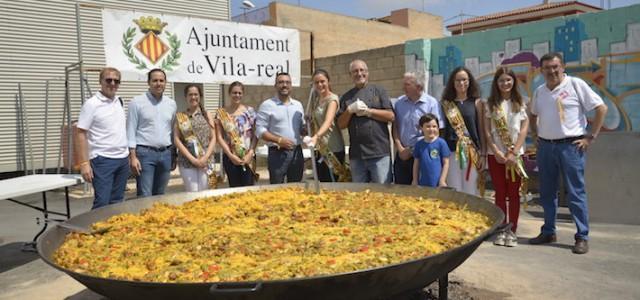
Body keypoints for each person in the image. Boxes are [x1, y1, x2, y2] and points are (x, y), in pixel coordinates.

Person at [528, 52, 607, 254]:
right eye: (547, 68)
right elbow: (532, 113)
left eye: (555, 67)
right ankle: (548, 231)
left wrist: (591, 137)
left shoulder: (575, 85)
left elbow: (601, 108)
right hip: (546, 147)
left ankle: (582, 236)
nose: (551, 71)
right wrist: (536, 133)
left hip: (571, 146)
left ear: (563, 67)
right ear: (541, 70)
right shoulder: (540, 91)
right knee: (546, 192)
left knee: (575, 193)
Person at [483, 67, 529, 247]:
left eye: (508, 80)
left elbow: (524, 130)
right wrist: (496, 151)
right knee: (500, 193)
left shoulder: (521, 102)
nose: (505, 83)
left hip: (515, 156)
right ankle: (502, 229)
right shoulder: (490, 104)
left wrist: (513, 152)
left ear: (513, 81)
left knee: (514, 194)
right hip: (496, 156)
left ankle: (513, 230)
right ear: (496, 83)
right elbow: (487, 131)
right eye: (501, 80)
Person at [76, 67, 129, 209]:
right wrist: (84, 163)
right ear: (100, 81)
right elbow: (81, 133)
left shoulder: (119, 101)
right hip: (102, 160)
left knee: (117, 201)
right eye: (108, 80)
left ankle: (113, 230)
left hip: (122, 159)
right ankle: (94, 230)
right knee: (102, 203)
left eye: (116, 81)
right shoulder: (91, 104)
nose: (112, 83)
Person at [337, 59, 395, 183]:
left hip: (379, 153)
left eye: (362, 70)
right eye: (355, 71)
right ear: (350, 75)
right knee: (359, 195)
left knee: (382, 193)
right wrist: (349, 111)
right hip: (357, 156)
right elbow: (341, 124)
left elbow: (390, 116)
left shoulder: (379, 90)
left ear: (367, 73)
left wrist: (369, 112)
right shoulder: (346, 97)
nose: (359, 74)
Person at [127, 68, 177, 197]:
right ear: (148, 82)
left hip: (165, 154)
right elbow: (130, 130)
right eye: (155, 80)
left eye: (161, 80)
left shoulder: (171, 104)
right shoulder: (136, 102)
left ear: (166, 83)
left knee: (160, 194)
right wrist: (132, 157)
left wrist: (173, 154)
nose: (158, 83)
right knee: (145, 194)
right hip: (144, 154)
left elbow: (171, 130)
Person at [441, 66, 485, 195]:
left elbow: (481, 129)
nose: (461, 83)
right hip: (451, 152)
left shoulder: (477, 102)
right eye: (458, 80)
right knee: (455, 190)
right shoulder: (445, 104)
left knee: (471, 190)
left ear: (469, 81)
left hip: (472, 153)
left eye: (464, 79)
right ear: (452, 83)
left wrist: (483, 154)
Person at [393, 72, 443, 184]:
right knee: (401, 192)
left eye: (407, 84)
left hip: (423, 155)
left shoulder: (431, 104)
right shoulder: (399, 103)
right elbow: (395, 127)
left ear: (419, 87)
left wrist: (411, 150)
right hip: (402, 156)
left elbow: (436, 132)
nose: (403, 87)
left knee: (422, 192)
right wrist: (400, 149)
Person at [255, 72, 305, 184]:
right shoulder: (267, 105)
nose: (284, 85)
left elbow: (302, 129)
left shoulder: (298, 105)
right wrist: (279, 140)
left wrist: (307, 128)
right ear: (275, 85)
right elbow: (259, 130)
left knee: (296, 188)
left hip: (296, 152)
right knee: (277, 188)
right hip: (277, 153)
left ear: (291, 85)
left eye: (287, 82)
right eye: (281, 82)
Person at [174, 84, 216, 192]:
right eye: (190, 95)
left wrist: (205, 158)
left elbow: (213, 138)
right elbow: (177, 140)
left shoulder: (207, 114)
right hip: (187, 162)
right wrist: (193, 159)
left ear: (200, 96)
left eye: (196, 94)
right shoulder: (180, 116)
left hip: (206, 161)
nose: (193, 97)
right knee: (192, 193)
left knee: (206, 193)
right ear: (186, 97)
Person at [307, 69, 348, 182]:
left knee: (333, 181)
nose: (320, 85)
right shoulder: (316, 100)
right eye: (316, 83)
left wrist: (316, 137)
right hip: (320, 148)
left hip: (332, 148)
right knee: (322, 182)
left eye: (322, 81)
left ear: (328, 81)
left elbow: (328, 121)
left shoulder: (332, 99)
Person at [216, 81, 258, 187]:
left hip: (248, 157)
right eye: (234, 93)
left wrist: (250, 153)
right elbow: (219, 137)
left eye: (239, 93)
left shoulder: (250, 112)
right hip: (231, 158)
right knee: (234, 188)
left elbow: (256, 134)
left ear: (243, 94)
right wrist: (230, 156)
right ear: (229, 93)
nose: (237, 95)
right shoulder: (221, 113)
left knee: (249, 189)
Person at [411, 113, 450, 188]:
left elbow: (446, 163)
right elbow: (416, 164)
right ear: (421, 128)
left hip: (438, 184)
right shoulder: (419, 144)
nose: (431, 129)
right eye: (428, 126)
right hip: (423, 184)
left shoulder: (441, 143)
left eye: (434, 126)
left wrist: (442, 180)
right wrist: (415, 180)